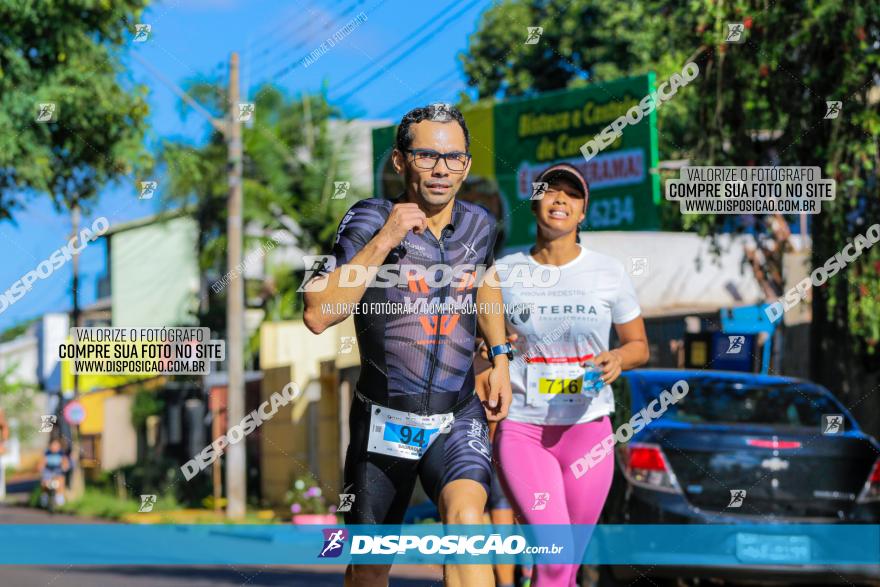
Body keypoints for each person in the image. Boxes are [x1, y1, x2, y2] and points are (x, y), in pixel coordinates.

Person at [303, 103, 513, 587]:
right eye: (426, 156)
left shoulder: (480, 224)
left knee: (465, 526)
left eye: (456, 158)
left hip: (456, 415)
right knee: (372, 566)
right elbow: (318, 312)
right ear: (399, 161)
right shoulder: (367, 218)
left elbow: (486, 280)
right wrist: (385, 239)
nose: (442, 169)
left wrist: (499, 355)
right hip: (384, 419)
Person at [480, 163, 649, 586]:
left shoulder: (607, 271)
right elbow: (484, 347)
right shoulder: (503, 271)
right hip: (523, 430)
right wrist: (491, 354)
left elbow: (639, 346)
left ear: (582, 212)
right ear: (535, 202)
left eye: (571, 195)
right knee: (555, 559)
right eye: (550, 191)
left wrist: (617, 359)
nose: (560, 200)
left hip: (588, 431)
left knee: (564, 568)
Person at [39, 437, 70, 508]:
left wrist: (64, 466)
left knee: (60, 481)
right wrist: (41, 467)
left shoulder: (61, 454)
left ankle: (60, 499)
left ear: (59, 446)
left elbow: (65, 463)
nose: (54, 447)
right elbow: (42, 463)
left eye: (56, 446)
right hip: (48, 471)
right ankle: (44, 497)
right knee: (44, 483)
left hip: (58, 471)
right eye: (53, 445)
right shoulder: (46, 453)